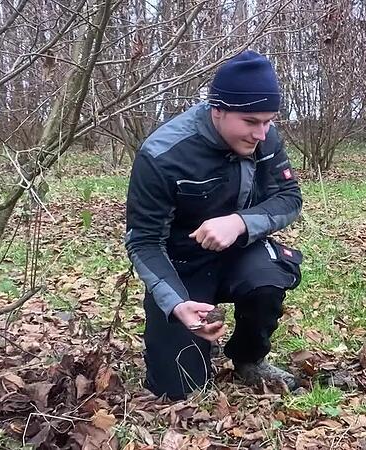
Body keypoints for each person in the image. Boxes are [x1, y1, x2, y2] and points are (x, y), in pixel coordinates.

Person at [124, 49, 304, 400]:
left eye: (269, 121)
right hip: (181, 264)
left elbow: (289, 198)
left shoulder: (266, 138)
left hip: (240, 249)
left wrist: (239, 223)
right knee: (179, 389)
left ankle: (249, 357)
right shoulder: (162, 154)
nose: (261, 133)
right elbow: (143, 241)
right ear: (217, 109)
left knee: (268, 278)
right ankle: (187, 341)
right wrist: (176, 304)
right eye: (251, 122)